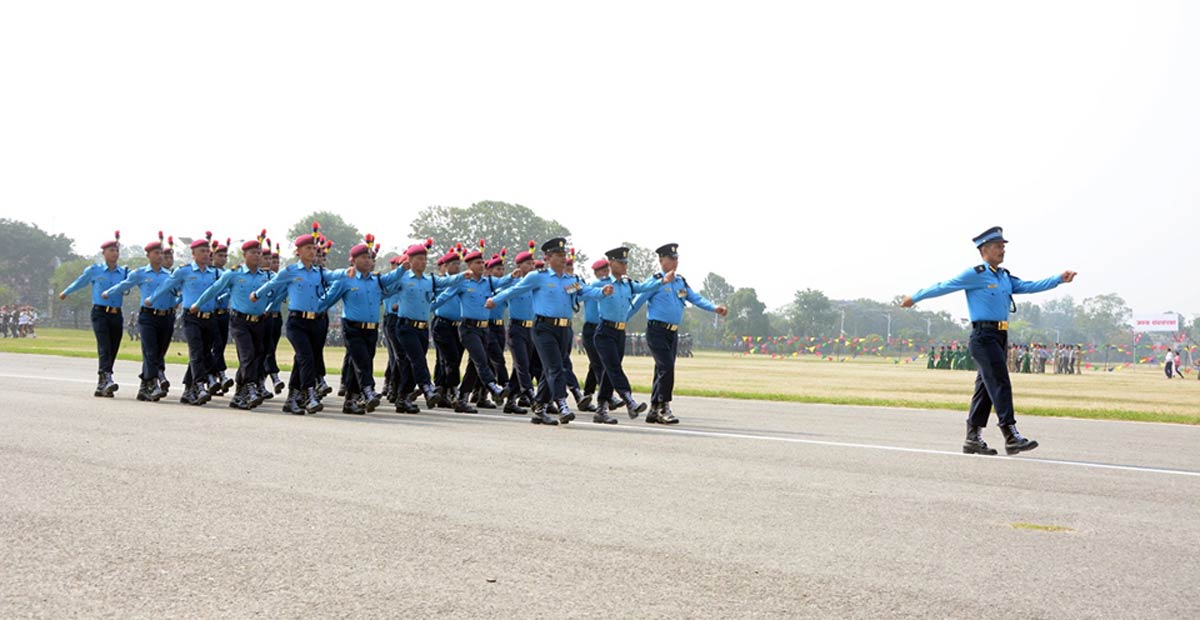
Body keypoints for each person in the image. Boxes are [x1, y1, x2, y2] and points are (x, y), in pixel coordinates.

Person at [900, 226, 1076, 456]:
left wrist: (1058, 280)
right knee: (1000, 383)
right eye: (998, 246)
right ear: (984, 250)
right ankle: (1010, 434)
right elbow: (943, 286)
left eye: (1003, 246)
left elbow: (1028, 286)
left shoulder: (1003, 276)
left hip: (1000, 337)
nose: (1002, 250)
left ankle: (972, 438)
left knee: (984, 389)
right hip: (983, 337)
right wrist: (915, 298)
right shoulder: (975, 274)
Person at [627, 243, 728, 424]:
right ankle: (664, 407)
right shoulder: (656, 281)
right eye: (671, 258)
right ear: (661, 260)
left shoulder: (680, 282)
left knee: (661, 369)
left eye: (676, 258)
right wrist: (621, 320)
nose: (675, 261)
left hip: (672, 333)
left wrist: (714, 308)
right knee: (666, 367)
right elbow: (636, 302)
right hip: (656, 330)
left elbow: (695, 298)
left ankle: (653, 409)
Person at [486, 237, 581, 425]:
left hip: (565, 329)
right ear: (547, 257)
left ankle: (539, 408)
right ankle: (562, 404)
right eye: (559, 255)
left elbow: (582, 292)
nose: (563, 259)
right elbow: (515, 290)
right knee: (556, 367)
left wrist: (602, 292)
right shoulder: (538, 277)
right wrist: (494, 300)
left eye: (564, 255)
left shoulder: (571, 280)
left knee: (549, 369)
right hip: (544, 328)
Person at [251, 228, 339, 415]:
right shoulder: (290, 271)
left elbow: (333, 276)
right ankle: (309, 394)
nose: (312, 251)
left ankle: (292, 399)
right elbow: (272, 285)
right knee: (305, 357)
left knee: (304, 360)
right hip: (297, 323)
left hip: (315, 322)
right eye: (307, 248)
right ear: (298, 251)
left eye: (313, 248)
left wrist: (347, 272)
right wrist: (256, 295)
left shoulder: (320, 273)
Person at [317, 235, 404, 414]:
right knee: (362, 362)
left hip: (371, 329)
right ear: (353, 260)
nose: (368, 260)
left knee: (362, 362)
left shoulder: (376, 280)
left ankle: (350, 400)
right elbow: (327, 300)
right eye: (363, 257)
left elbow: (391, 278)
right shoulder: (345, 279)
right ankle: (368, 391)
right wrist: (313, 309)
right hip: (352, 328)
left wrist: (404, 268)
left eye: (370, 257)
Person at [579, 247, 663, 424]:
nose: (625, 266)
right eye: (621, 262)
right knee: (614, 367)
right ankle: (629, 400)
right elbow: (582, 292)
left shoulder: (628, 284)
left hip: (620, 332)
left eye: (626, 263)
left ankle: (601, 410)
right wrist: (601, 292)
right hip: (604, 332)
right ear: (611, 264)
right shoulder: (601, 283)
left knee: (609, 372)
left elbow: (643, 287)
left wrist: (661, 280)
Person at [193, 235, 272, 409]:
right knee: (247, 354)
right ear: (244, 254)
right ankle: (250, 388)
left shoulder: (265, 276)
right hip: (239, 322)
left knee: (256, 354)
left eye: (259, 253)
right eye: (253, 253)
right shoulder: (234, 274)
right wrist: (198, 304)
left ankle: (239, 393)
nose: (257, 256)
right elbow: (215, 289)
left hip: (259, 322)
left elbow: (277, 291)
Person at [431, 242, 511, 413]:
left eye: (482, 263)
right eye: (477, 263)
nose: (481, 265)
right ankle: (493, 387)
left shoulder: (488, 282)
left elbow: (504, 282)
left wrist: (515, 276)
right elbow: (444, 297)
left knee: (474, 366)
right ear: (469, 266)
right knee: (481, 360)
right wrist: (426, 309)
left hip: (485, 329)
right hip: (468, 328)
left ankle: (461, 399)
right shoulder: (463, 282)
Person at [145, 234, 223, 405]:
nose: (206, 254)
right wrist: (152, 298)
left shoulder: (215, 273)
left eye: (207, 251)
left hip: (209, 318)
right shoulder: (184, 271)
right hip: (192, 318)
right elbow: (167, 286)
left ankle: (189, 389)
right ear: (193, 254)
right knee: (196, 352)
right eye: (202, 251)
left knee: (203, 353)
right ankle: (200, 386)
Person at [101, 232, 174, 401]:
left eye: (161, 253)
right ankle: (151, 383)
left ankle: (144, 387)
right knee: (150, 351)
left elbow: (177, 291)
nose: (159, 256)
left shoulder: (169, 275)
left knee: (159, 353)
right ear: (148, 255)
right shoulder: (140, 273)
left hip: (166, 317)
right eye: (156, 253)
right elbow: (124, 285)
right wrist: (108, 293)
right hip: (148, 318)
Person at [59, 231, 128, 397]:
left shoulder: (124, 272)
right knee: (104, 346)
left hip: (116, 313)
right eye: (111, 250)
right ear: (103, 253)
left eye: (116, 250)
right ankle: (107, 378)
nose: (115, 253)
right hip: (100, 313)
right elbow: (80, 282)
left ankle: (102, 383)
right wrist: (66, 292)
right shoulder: (95, 270)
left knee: (113, 347)